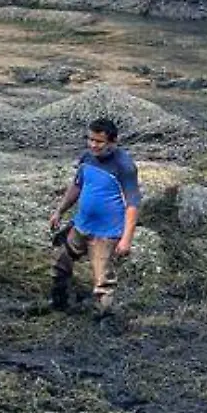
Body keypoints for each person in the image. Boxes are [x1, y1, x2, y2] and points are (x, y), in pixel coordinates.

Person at [47, 117, 141, 315]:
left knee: (103, 282)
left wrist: (126, 240)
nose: (93, 145)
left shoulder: (124, 166)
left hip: (106, 235)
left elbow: (133, 204)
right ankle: (59, 304)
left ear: (113, 142)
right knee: (59, 263)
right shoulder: (86, 157)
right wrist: (59, 211)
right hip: (80, 226)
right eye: (90, 139)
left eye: (99, 141)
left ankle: (103, 318)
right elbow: (77, 185)